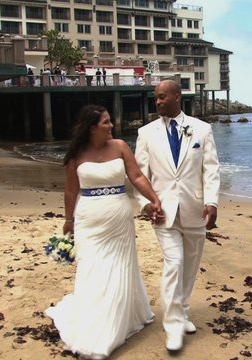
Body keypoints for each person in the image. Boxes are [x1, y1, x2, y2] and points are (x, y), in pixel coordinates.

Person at [45, 104, 165, 359]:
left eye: (110, 122)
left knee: (120, 267)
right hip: (88, 220)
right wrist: (69, 220)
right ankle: (94, 319)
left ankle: (118, 319)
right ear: (91, 128)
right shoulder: (77, 154)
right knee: (92, 268)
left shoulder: (121, 146)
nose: (111, 126)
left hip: (118, 219)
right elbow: (70, 190)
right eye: (106, 123)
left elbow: (137, 177)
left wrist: (154, 199)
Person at [134, 79, 220, 352]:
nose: (157, 102)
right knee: (175, 263)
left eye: (161, 97)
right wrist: (145, 204)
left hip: (195, 210)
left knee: (190, 267)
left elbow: (211, 169)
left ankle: (182, 311)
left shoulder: (202, 129)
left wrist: (212, 202)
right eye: (155, 98)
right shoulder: (146, 133)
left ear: (176, 97)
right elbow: (138, 176)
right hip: (163, 213)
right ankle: (172, 326)